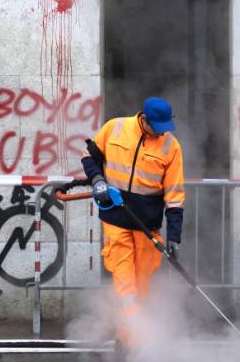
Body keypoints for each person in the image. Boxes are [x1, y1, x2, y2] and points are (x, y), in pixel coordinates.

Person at [81, 96, 184, 355]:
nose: (162, 131)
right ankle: (128, 342)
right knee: (125, 283)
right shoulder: (115, 128)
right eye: (158, 126)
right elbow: (89, 156)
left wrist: (174, 236)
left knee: (142, 286)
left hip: (147, 226)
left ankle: (135, 334)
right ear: (144, 119)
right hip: (116, 220)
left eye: (166, 126)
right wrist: (98, 181)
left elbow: (174, 195)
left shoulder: (171, 147)